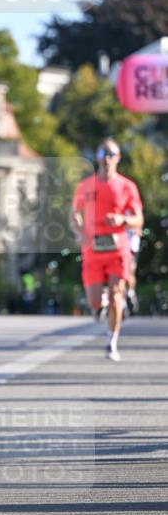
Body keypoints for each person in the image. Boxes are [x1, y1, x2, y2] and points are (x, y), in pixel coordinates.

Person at [70, 138, 143, 362]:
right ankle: (98, 304)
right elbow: (74, 214)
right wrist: (79, 232)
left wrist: (122, 219)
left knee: (116, 296)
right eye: (103, 154)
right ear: (97, 157)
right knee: (94, 302)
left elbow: (139, 219)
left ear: (118, 158)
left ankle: (112, 342)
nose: (107, 159)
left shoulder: (127, 186)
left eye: (111, 155)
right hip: (92, 249)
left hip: (117, 248)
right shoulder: (85, 185)